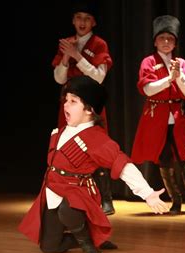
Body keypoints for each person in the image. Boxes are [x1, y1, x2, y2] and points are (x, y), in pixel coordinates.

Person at [18, 75, 169, 253]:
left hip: (77, 193)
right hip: (52, 191)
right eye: (66, 100)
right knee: (50, 247)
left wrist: (147, 193)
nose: (66, 105)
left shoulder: (97, 138)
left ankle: (87, 243)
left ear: (89, 110)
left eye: (73, 101)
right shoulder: (60, 131)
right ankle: (92, 237)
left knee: (69, 207)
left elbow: (121, 164)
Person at [131, 15, 185, 214]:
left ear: (175, 43)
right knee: (164, 160)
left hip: (178, 118)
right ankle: (176, 200)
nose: (166, 42)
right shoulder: (149, 61)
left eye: (170, 38)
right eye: (162, 38)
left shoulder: (182, 64)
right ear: (155, 41)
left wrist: (178, 76)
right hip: (156, 119)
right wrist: (167, 80)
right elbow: (146, 89)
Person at [51, 0, 116, 215]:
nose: (82, 22)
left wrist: (78, 56)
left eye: (87, 18)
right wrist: (67, 56)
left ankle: (106, 199)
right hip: (70, 105)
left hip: (90, 107)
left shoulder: (99, 44)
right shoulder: (67, 43)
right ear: (73, 20)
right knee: (68, 148)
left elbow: (98, 77)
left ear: (94, 22)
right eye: (78, 17)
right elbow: (59, 79)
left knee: (96, 150)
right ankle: (71, 195)